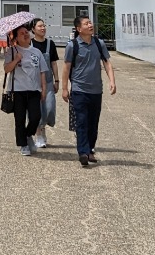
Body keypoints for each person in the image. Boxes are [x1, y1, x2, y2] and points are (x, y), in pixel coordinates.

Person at [62, 16, 116, 167]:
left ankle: (90, 149)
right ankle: (83, 153)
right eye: (86, 24)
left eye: (90, 22)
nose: (90, 25)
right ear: (79, 29)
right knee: (82, 122)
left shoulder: (99, 43)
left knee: (93, 123)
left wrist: (112, 81)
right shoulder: (72, 46)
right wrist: (65, 88)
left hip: (96, 90)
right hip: (79, 89)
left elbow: (107, 63)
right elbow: (66, 67)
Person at [3, 23, 48, 155]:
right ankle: (23, 144)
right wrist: (16, 59)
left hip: (34, 90)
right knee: (20, 119)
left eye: (26, 32)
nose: (26, 34)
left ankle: (28, 135)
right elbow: (7, 69)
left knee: (35, 117)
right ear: (16, 37)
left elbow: (42, 71)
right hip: (18, 90)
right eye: (22, 33)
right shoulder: (12, 51)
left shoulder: (36, 52)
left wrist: (43, 88)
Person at [29, 18, 59, 148]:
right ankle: (39, 134)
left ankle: (43, 128)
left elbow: (53, 62)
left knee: (50, 109)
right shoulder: (29, 44)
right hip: (33, 83)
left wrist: (57, 80)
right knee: (36, 111)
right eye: (40, 26)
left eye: (44, 26)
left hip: (48, 81)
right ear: (33, 29)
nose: (43, 28)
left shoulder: (50, 44)